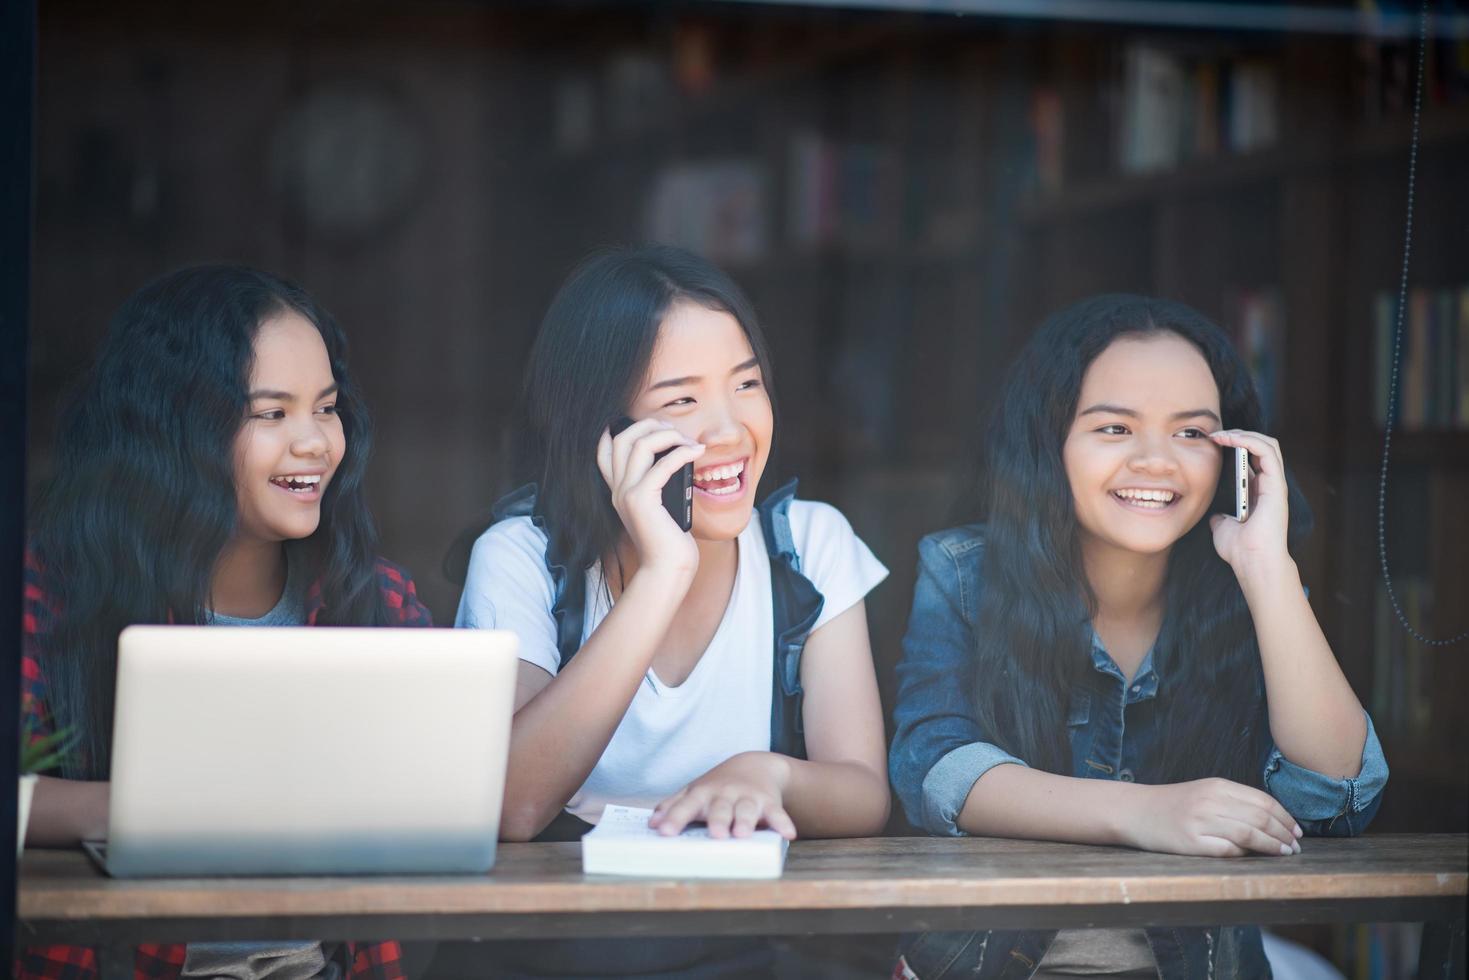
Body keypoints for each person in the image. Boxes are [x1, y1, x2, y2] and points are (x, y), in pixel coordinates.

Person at [888, 294, 1388, 980]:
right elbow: (933, 769)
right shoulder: (963, 572)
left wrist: (1265, 566)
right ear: (1048, 440)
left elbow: (1339, 799)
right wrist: (1148, 812)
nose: (1157, 461)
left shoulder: (1249, 586)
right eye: (1115, 429)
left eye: (1191, 434)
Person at [448, 244, 890, 977]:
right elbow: (512, 807)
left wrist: (767, 774)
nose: (729, 428)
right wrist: (663, 570)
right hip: (554, 951)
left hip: (743, 942)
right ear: (600, 430)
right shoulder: (520, 555)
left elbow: (864, 793)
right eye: (681, 400)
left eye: (746, 385)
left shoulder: (810, 543)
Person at [19, 265, 430, 980]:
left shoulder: (373, 600)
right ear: (173, 426)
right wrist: (140, 812)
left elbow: (450, 792)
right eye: (271, 414)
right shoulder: (49, 594)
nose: (314, 443)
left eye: (325, 408)